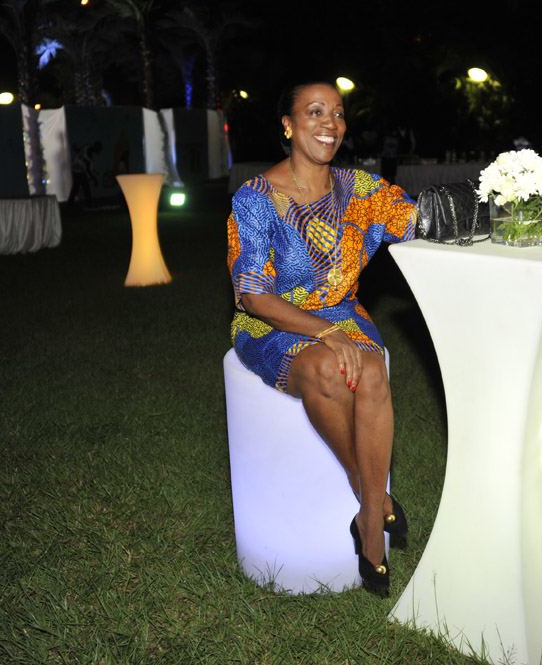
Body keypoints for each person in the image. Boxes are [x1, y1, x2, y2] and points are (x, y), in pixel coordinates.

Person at [226, 81, 415, 594]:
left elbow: (416, 219)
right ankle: (370, 499)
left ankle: (368, 519)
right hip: (270, 323)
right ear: (288, 125)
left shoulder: (359, 190)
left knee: (371, 372)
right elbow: (253, 296)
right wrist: (326, 333)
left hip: (343, 311)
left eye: (338, 113)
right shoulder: (255, 199)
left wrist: (500, 201)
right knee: (327, 368)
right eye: (315, 112)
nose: (330, 123)